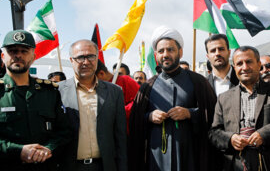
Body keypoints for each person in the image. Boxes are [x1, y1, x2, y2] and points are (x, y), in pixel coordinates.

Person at [128, 26, 217, 171]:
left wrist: (189, 113)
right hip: (157, 158)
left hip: (190, 155)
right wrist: (149, 116)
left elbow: (213, 114)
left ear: (180, 52)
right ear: (156, 55)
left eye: (170, 49)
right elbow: (135, 121)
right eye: (161, 51)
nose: (165, 54)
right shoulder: (147, 86)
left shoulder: (198, 82)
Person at [209, 46, 270, 171]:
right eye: (239, 63)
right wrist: (231, 139)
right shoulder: (224, 98)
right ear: (234, 68)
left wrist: (264, 134)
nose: (244, 67)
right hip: (236, 164)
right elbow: (214, 133)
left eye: (249, 62)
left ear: (258, 64)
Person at [0, 30, 71, 171]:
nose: (18, 55)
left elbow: (64, 132)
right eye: (12, 51)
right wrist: (18, 151)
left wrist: (48, 149)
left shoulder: (50, 92)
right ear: (3, 56)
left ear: (33, 57)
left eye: (24, 51)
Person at [58, 40, 127, 171]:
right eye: (80, 57)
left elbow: (120, 138)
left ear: (97, 58)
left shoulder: (114, 92)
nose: (86, 62)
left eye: (90, 56)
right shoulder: (58, 91)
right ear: (71, 60)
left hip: (104, 166)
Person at [96, 60, 139, 125]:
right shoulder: (97, 88)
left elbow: (139, 102)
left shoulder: (125, 81)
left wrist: (117, 112)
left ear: (101, 74)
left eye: (92, 79)